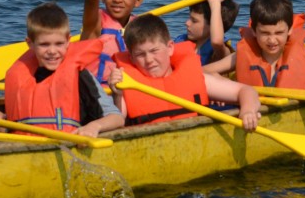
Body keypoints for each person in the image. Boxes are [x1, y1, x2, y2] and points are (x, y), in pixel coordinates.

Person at [108, 14, 261, 131]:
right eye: (140, 54)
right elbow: (118, 121)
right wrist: (118, 93)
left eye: (154, 51)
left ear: (170, 48)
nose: (149, 60)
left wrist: (248, 111)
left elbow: (246, 90)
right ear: (131, 57)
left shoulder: (196, 78)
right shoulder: (127, 83)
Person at [5, 2, 124, 137]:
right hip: (24, 146)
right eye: (44, 44)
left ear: (68, 41)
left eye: (59, 44)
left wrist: (94, 126)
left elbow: (117, 118)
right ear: (30, 43)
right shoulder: (20, 75)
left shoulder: (80, 75)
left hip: (69, 145)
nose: (52, 51)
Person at [205, 0, 305, 93]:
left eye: (279, 33)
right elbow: (203, 71)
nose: (272, 40)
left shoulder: (304, 56)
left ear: (290, 30)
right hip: (251, 112)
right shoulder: (241, 55)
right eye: (265, 33)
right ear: (253, 31)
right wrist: (223, 87)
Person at [174, 0, 239, 65]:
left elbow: (217, 42)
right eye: (189, 18)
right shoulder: (181, 41)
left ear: (213, 24)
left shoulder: (220, 52)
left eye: (194, 20)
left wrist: (215, 4)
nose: (187, 23)